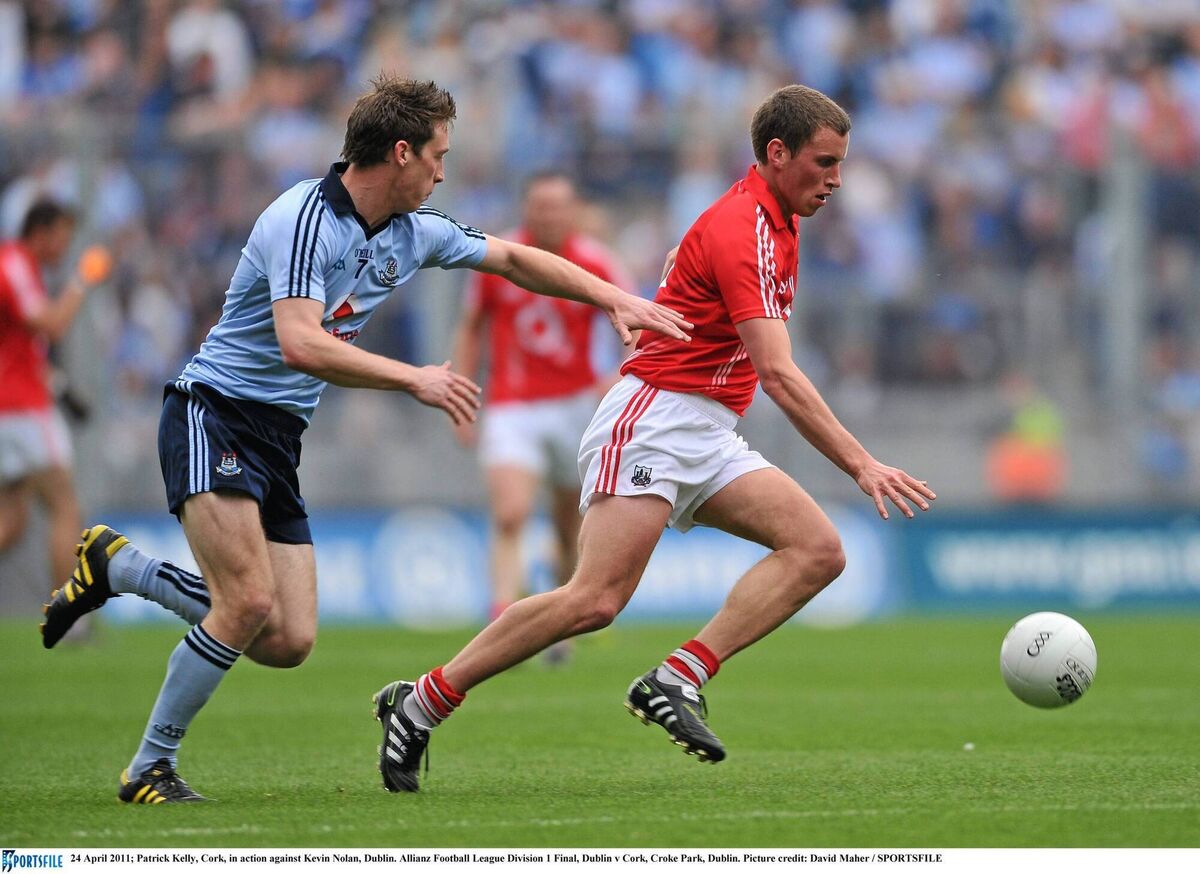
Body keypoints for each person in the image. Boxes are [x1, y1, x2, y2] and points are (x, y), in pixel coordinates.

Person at [38, 75, 690, 804]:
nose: (443, 171)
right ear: (402, 152)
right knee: (249, 603)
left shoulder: (414, 231)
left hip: (278, 436)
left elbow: (512, 259)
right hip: (212, 411)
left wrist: (614, 296)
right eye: (438, 155)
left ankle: (118, 569)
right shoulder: (303, 217)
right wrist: (413, 378)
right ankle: (149, 766)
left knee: (287, 641)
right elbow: (299, 343)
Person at [373, 84, 936, 792]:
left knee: (818, 551)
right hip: (654, 419)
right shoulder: (745, 226)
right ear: (777, 153)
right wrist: (862, 464)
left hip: (706, 427)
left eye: (841, 164)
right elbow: (780, 375)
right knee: (593, 601)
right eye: (824, 163)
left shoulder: (769, 218)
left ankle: (678, 677)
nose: (837, 179)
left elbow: (697, 269)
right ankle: (421, 702)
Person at [451, 171, 634, 640]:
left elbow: (637, 321)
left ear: (572, 211)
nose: (548, 214)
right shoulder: (500, 257)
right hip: (513, 404)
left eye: (558, 206)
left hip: (576, 406)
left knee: (568, 522)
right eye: (540, 206)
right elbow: (472, 326)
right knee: (510, 512)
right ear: (527, 209)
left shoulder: (595, 261)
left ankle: (562, 610)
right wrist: (462, 389)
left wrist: (617, 375)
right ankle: (500, 616)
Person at [0, 200, 98, 600]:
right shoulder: (16, 264)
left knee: (11, 520)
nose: (64, 246)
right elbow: (53, 325)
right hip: (23, 407)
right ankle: (68, 616)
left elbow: (22, 344)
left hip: (11, 405)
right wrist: (83, 279)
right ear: (40, 232)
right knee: (64, 506)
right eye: (62, 236)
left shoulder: (20, 268)